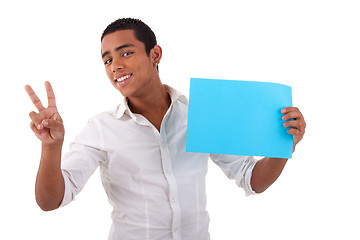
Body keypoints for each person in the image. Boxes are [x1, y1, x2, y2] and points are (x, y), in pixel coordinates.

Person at [25, 18, 306, 240]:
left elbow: (252, 179)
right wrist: (51, 147)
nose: (116, 65)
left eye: (126, 52)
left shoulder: (201, 115)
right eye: (108, 59)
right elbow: (50, 201)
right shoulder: (101, 128)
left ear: (155, 54)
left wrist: (283, 145)